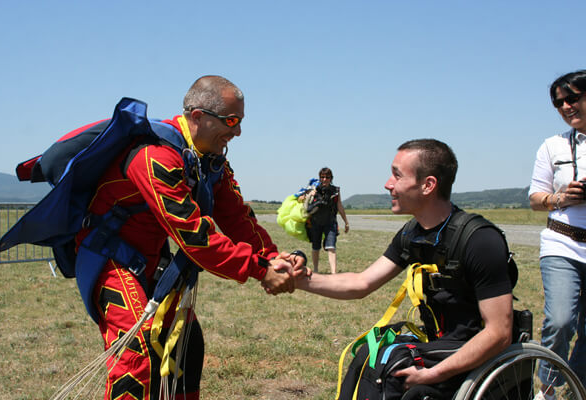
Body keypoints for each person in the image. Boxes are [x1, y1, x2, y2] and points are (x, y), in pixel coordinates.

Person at [75, 75, 302, 399]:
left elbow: (236, 216)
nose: (237, 132)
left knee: (185, 346)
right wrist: (260, 269)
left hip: (152, 261)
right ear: (198, 116)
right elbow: (196, 238)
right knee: (135, 356)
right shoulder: (155, 157)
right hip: (111, 260)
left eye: (240, 121)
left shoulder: (210, 162)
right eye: (231, 121)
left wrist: (272, 256)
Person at [294, 139, 513, 399]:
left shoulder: (479, 240)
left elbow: (499, 333)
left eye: (397, 175)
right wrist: (295, 279)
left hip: (472, 355)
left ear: (428, 185)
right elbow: (361, 283)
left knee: (393, 371)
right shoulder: (412, 234)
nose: (388, 184)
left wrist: (434, 374)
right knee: (369, 354)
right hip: (436, 345)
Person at [529, 69, 586, 400]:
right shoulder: (552, 146)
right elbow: (536, 199)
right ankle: (547, 390)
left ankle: (575, 388)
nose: (565, 106)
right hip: (562, 242)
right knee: (561, 320)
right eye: (558, 102)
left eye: (572, 98)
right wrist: (561, 198)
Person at [305, 167, 350, 274]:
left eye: (327, 177)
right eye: (322, 177)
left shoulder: (336, 191)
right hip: (316, 222)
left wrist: (346, 222)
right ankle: (315, 270)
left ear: (331, 178)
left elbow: (340, 206)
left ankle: (333, 273)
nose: (324, 179)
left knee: (331, 247)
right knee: (315, 247)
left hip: (330, 222)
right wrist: (308, 196)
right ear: (319, 178)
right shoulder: (314, 190)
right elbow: (305, 205)